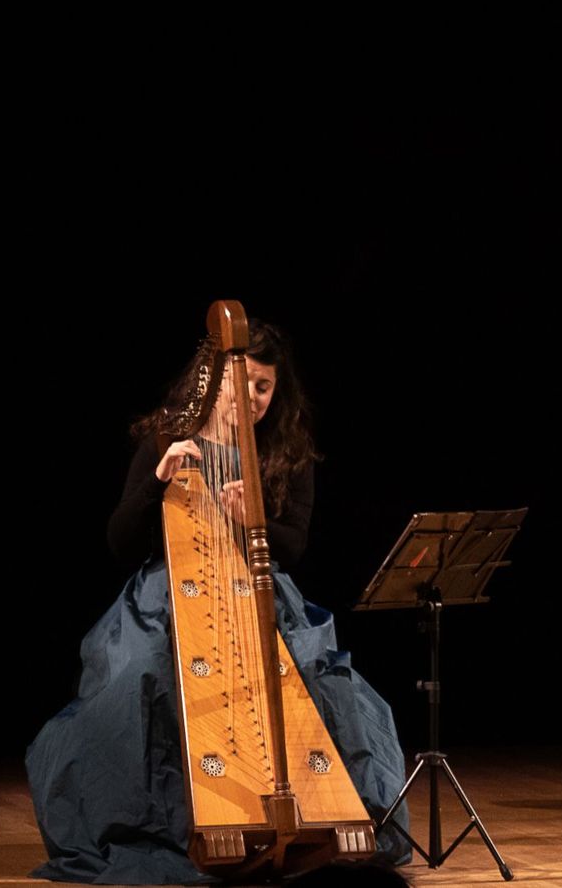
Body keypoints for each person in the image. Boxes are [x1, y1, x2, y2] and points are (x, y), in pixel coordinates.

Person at [25, 320, 410, 883]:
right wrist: (158, 482)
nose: (253, 398)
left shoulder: (286, 455)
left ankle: (317, 819)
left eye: (265, 387)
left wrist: (248, 520)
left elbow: (293, 547)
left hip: (259, 593)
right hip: (167, 592)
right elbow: (120, 543)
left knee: (325, 686)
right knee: (143, 674)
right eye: (244, 382)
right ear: (213, 381)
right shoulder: (167, 441)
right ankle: (176, 823)